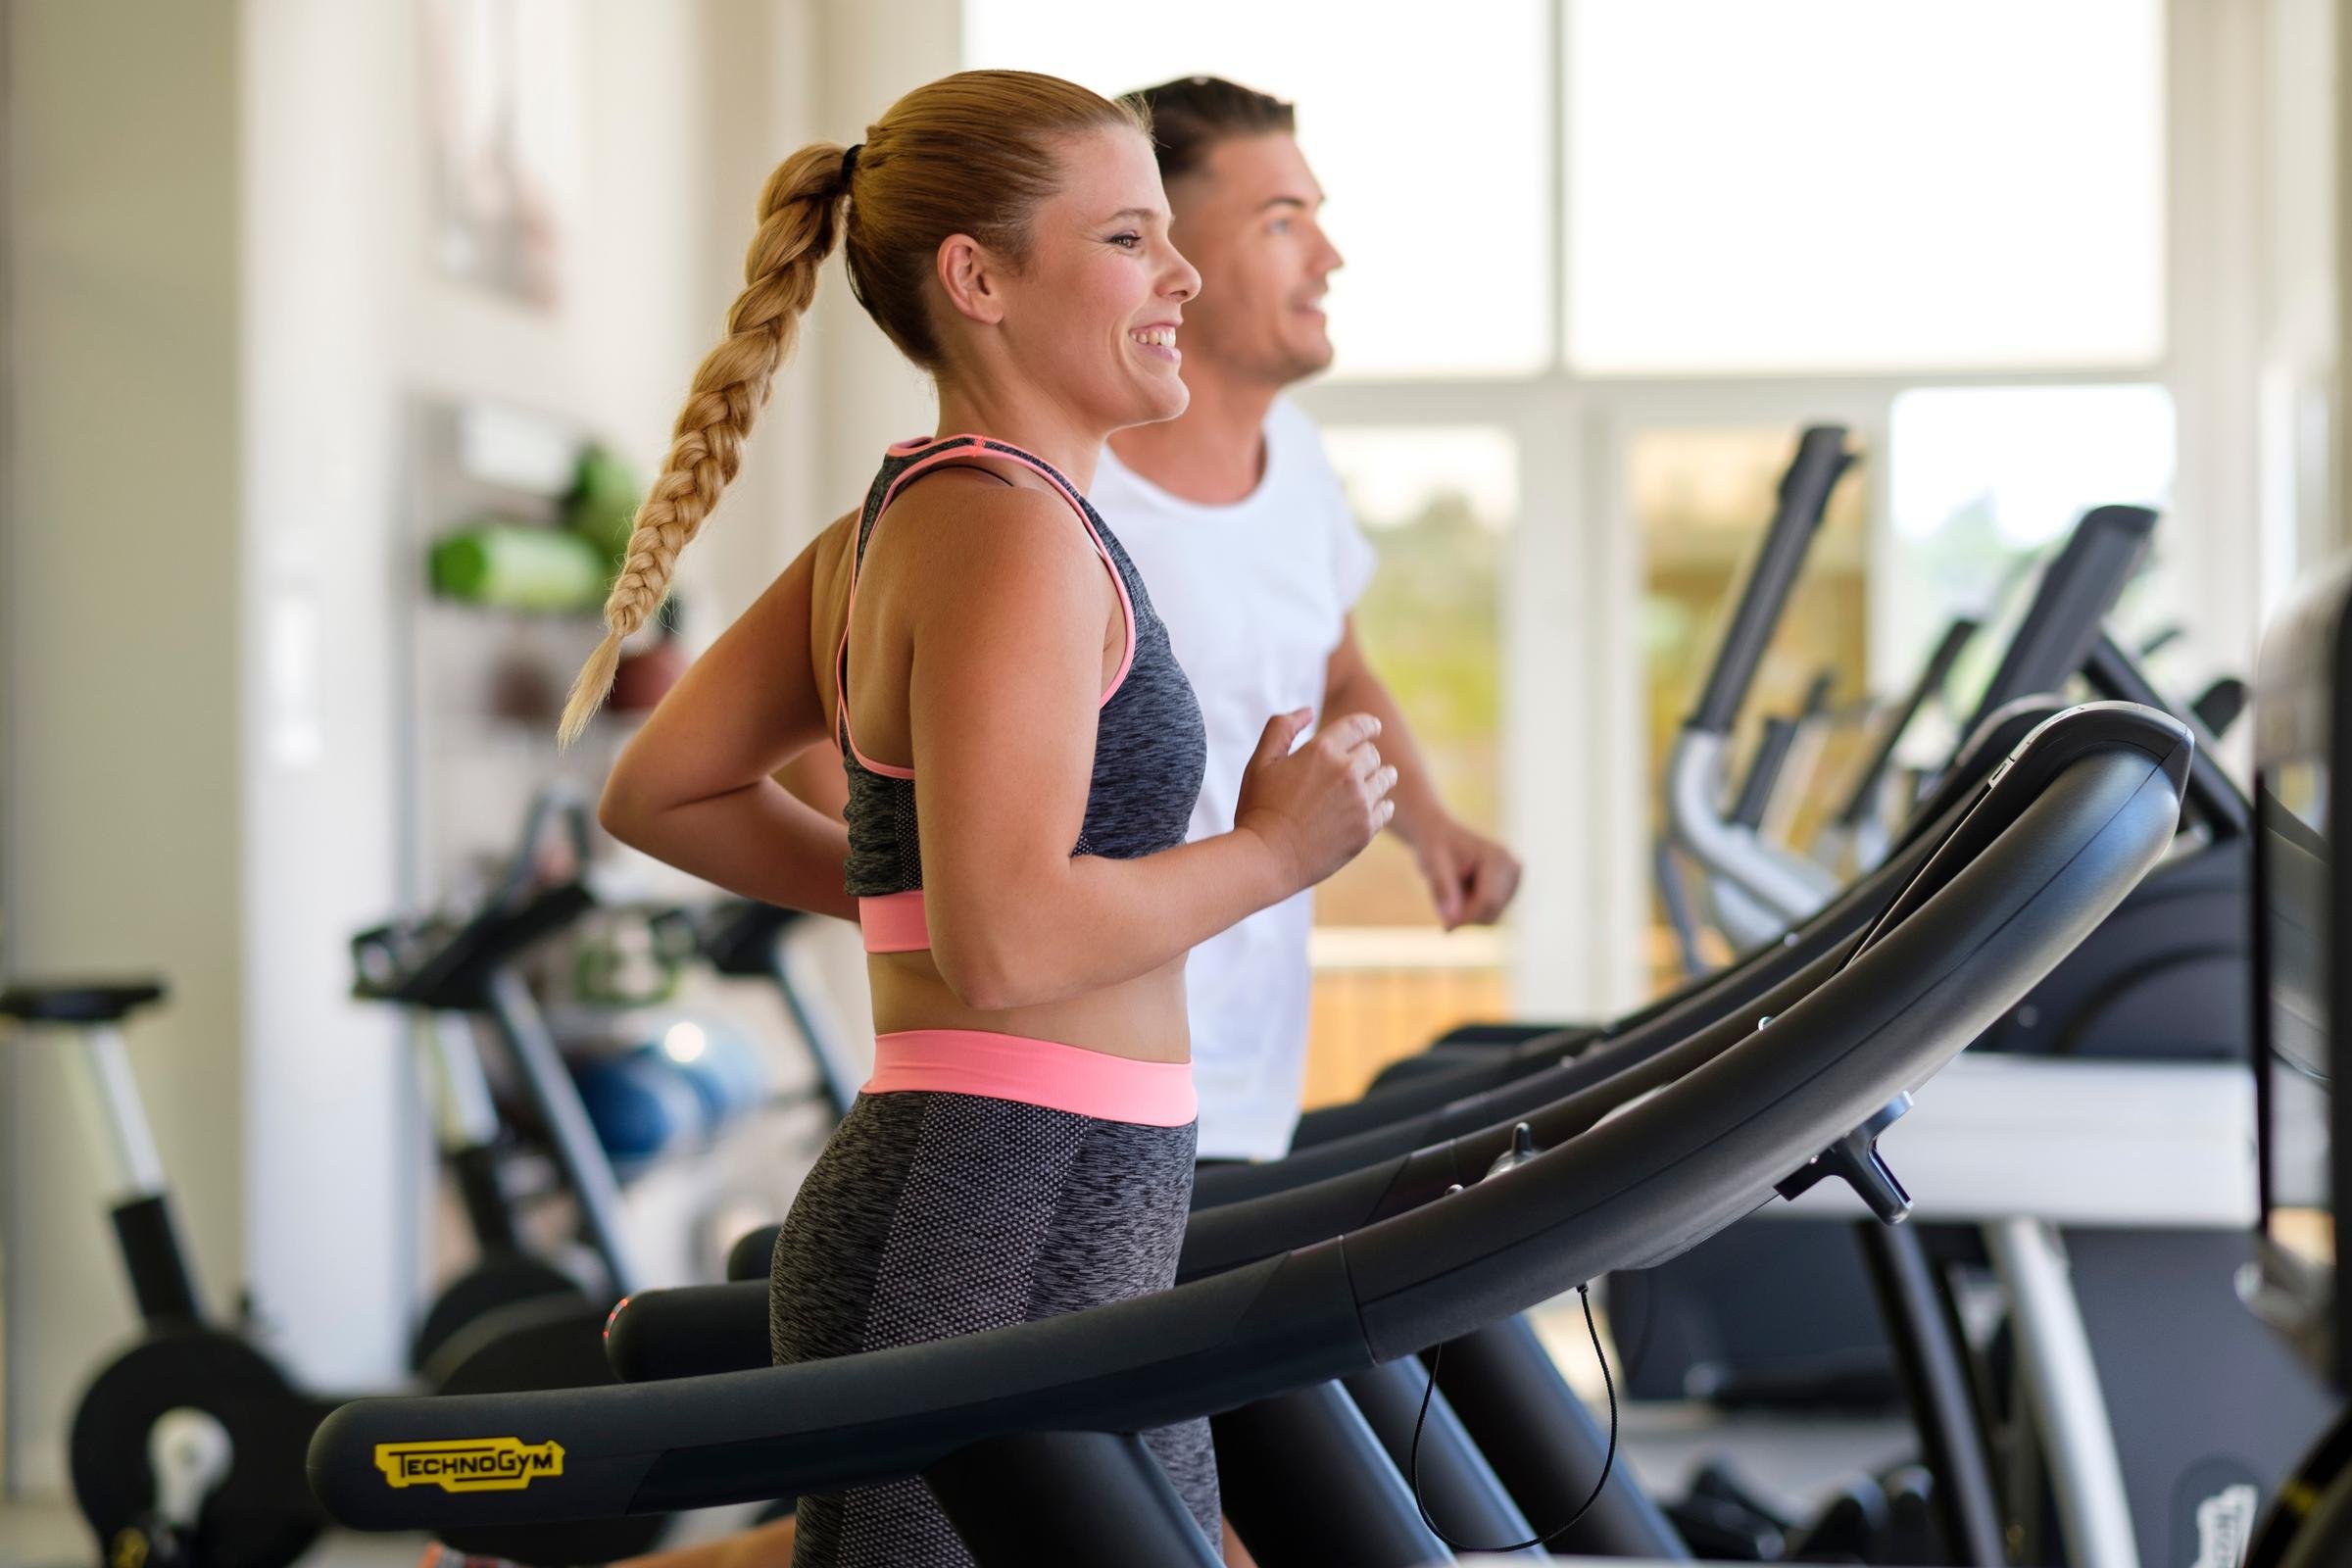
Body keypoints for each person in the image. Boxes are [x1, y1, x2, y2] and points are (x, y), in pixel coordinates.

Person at [564, 69, 1389, 1568]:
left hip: (1051, 1196)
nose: (1183, 277)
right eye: (1130, 238)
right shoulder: (1006, 531)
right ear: (979, 278)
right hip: (986, 1216)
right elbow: (1010, 949)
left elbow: (662, 788)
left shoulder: (936, 519)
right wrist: (1275, 852)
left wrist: (925, 892)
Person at [1096, 75, 1522, 1161]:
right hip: (1098, 1087)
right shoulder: (1064, 493)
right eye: (1283, 222)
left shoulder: (1298, 463)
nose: (1328, 257)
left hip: (1250, 1083)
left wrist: (1432, 827)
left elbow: (1335, 676)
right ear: (1164, 252)